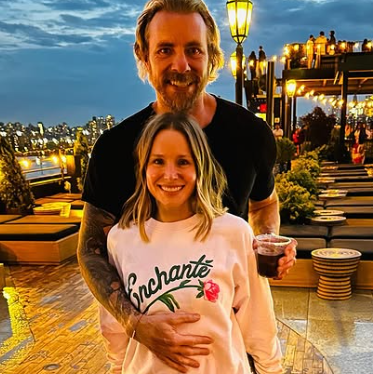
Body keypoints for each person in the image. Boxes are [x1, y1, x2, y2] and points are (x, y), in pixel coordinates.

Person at [78, 0, 297, 373]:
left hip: (230, 354)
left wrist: (263, 245)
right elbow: (91, 251)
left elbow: (265, 203)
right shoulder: (113, 149)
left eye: (194, 50)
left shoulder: (251, 134)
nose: (181, 64)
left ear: (212, 56)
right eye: (165, 50)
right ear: (143, 56)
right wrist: (135, 324)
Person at [99, 112, 283, 373]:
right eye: (158, 161)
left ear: (200, 167)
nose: (170, 174)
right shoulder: (121, 239)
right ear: (143, 167)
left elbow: (259, 322)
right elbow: (114, 328)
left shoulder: (234, 233)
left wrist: (271, 370)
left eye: (183, 162)